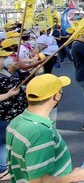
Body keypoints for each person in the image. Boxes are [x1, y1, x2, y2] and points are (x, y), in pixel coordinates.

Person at [6, 74, 84, 182]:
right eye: (60, 90)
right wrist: (73, 177)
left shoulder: (16, 121)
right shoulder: (40, 133)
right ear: (56, 96)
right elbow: (39, 181)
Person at [0, 49, 27, 181]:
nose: (3, 60)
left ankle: (11, 164)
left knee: (11, 140)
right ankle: (3, 169)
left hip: (14, 112)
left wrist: (11, 70)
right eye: (0, 58)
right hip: (3, 115)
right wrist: (9, 94)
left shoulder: (4, 70)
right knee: (3, 142)